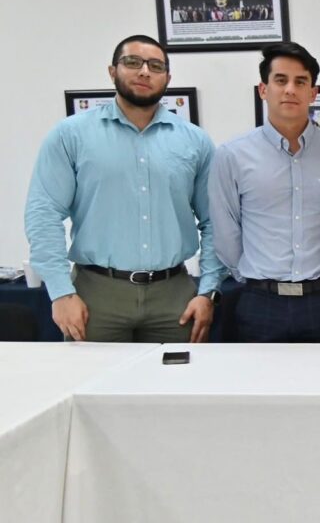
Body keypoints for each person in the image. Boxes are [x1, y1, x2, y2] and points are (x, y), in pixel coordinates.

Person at [24, 34, 225, 342]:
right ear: (112, 71)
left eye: (155, 66)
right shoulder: (71, 135)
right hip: (95, 295)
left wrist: (208, 291)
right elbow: (43, 213)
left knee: (180, 375)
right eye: (133, 62)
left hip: (174, 297)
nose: (144, 71)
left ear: (168, 78)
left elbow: (215, 222)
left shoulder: (195, 141)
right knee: (93, 375)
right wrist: (61, 292)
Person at [209, 42, 320, 342]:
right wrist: (254, 277)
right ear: (263, 90)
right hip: (260, 302)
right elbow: (225, 233)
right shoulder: (232, 155)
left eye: (300, 82)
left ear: (313, 93)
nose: (290, 89)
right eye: (280, 80)